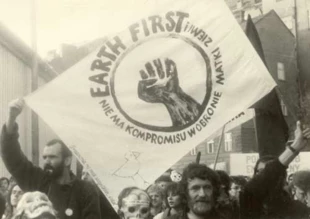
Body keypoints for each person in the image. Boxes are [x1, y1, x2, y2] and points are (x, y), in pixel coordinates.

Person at [1, 99, 101, 219]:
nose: (46, 161)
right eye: (45, 157)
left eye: (52, 157)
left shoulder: (85, 190)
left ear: (67, 160)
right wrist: (12, 117)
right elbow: (12, 157)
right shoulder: (39, 181)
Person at [242, 121, 310, 219]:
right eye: (260, 173)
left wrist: (295, 147)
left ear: (282, 178)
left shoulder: (299, 210)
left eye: (271, 174)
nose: (266, 179)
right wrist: (294, 147)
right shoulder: (247, 206)